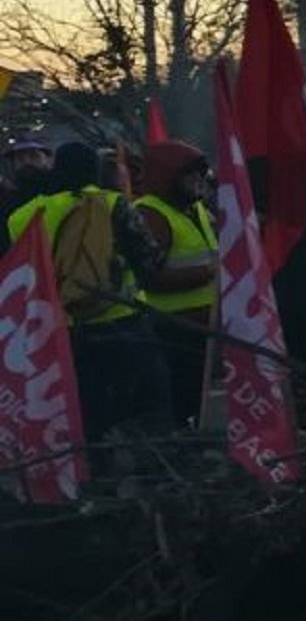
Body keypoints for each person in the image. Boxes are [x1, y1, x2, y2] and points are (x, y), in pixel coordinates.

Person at [5, 140, 169, 441]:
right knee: (149, 410)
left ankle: (95, 479)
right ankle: (150, 475)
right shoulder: (113, 204)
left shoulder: (24, 216)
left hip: (62, 332)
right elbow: (150, 260)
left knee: (87, 415)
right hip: (125, 322)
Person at [134, 140, 220, 428]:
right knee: (182, 398)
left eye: (201, 175)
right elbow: (149, 277)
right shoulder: (150, 214)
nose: (199, 182)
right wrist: (209, 273)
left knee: (203, 399)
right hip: (173, 326)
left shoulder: (194, 210)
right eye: (191, 176)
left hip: (205, 324)